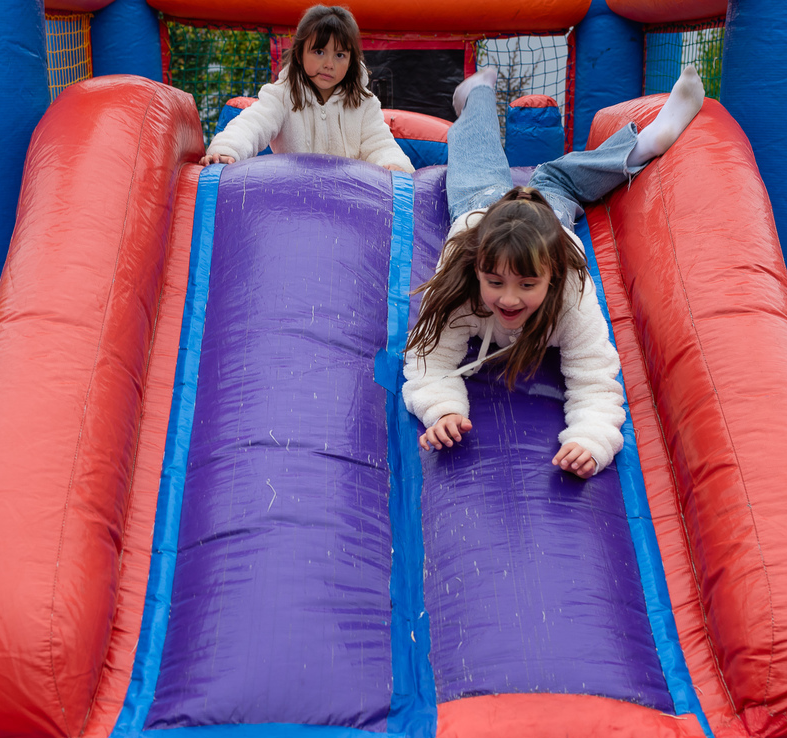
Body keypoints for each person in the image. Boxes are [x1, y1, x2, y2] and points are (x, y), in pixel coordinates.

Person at [403, 65, 704, 478]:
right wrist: (443, 410)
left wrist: (590, 439)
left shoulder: (571, 291)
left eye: (527, 284)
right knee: (488, 153)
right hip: (479, 212)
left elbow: (596, 381)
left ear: (553, 275)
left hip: (546, 219)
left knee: (555, 178)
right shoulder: (462, 283)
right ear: (478, 270)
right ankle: (476, 92)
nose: (508, 298)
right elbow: (429, 363)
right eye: (495, 283)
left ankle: (645, 144)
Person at [198, 5, 413, 172]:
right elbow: (253, 124)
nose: (329, 63)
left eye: (340, 55)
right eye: (319, 51)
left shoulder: (362, 102)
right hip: (296, 196)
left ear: (351, 62)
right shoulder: (284, 94)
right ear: (300, 54)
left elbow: (379, 143)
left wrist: (394, 164)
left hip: (348, 198)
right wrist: (226, 150)